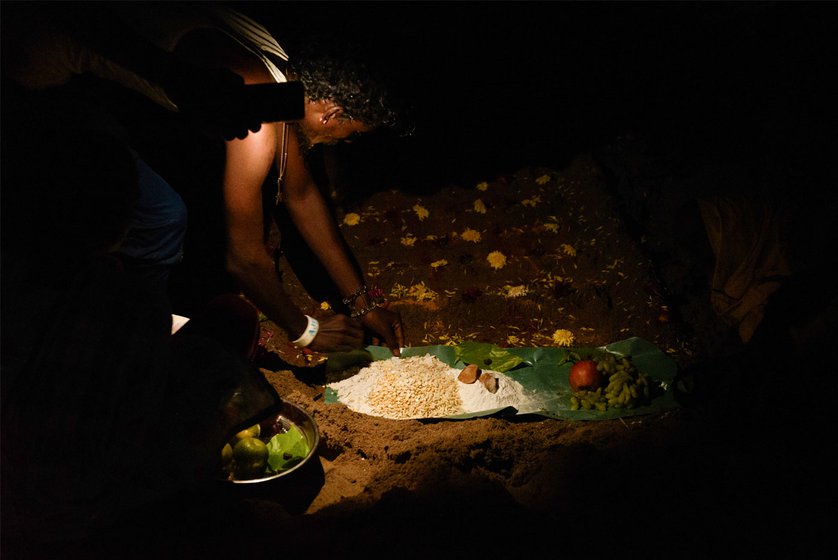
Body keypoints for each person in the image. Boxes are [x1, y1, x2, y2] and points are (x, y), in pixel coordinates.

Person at [3, 2, 408, 357]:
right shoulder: (261, 110)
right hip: (32, 71)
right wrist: (306, 332)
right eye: (351, 133)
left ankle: (128, 322)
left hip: (77, 61)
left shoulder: (278, 74)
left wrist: (362, 303)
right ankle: (112, 339)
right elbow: (244, 257)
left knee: (161, 213)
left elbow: (300, 194)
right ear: (331, 115)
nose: (346, 142)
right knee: (128, 216)